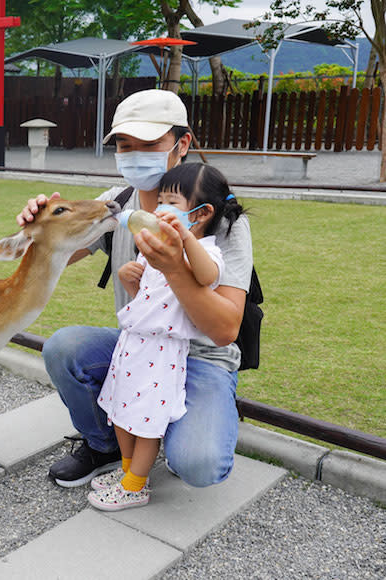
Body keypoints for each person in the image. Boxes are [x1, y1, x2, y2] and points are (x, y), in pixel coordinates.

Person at [17, 89, 252, 493]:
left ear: (182, 145)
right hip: (141, 345)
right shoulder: (115, 203)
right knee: (63, 347)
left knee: (199, 465)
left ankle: (182, 423)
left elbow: (226, 329)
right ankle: (106, 445)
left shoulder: (219, 220)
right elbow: (53, 257)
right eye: (126, 146)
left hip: (201, 357)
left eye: (149, 145)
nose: (134, 154)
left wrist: (175, 268)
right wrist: (38, 228)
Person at [88, 162, 244, 511]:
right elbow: (148, 296)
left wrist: (185, 241)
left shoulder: (208, 252)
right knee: (122, 409)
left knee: (146, 420)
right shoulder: (152, 246)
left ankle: (135, 486)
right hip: (133, 343)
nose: (158, 210)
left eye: (169, 202)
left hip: (162, 351)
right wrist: (132, 280)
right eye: (158, 201)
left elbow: (205, 278)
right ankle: (128, 471)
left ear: (200, 213)